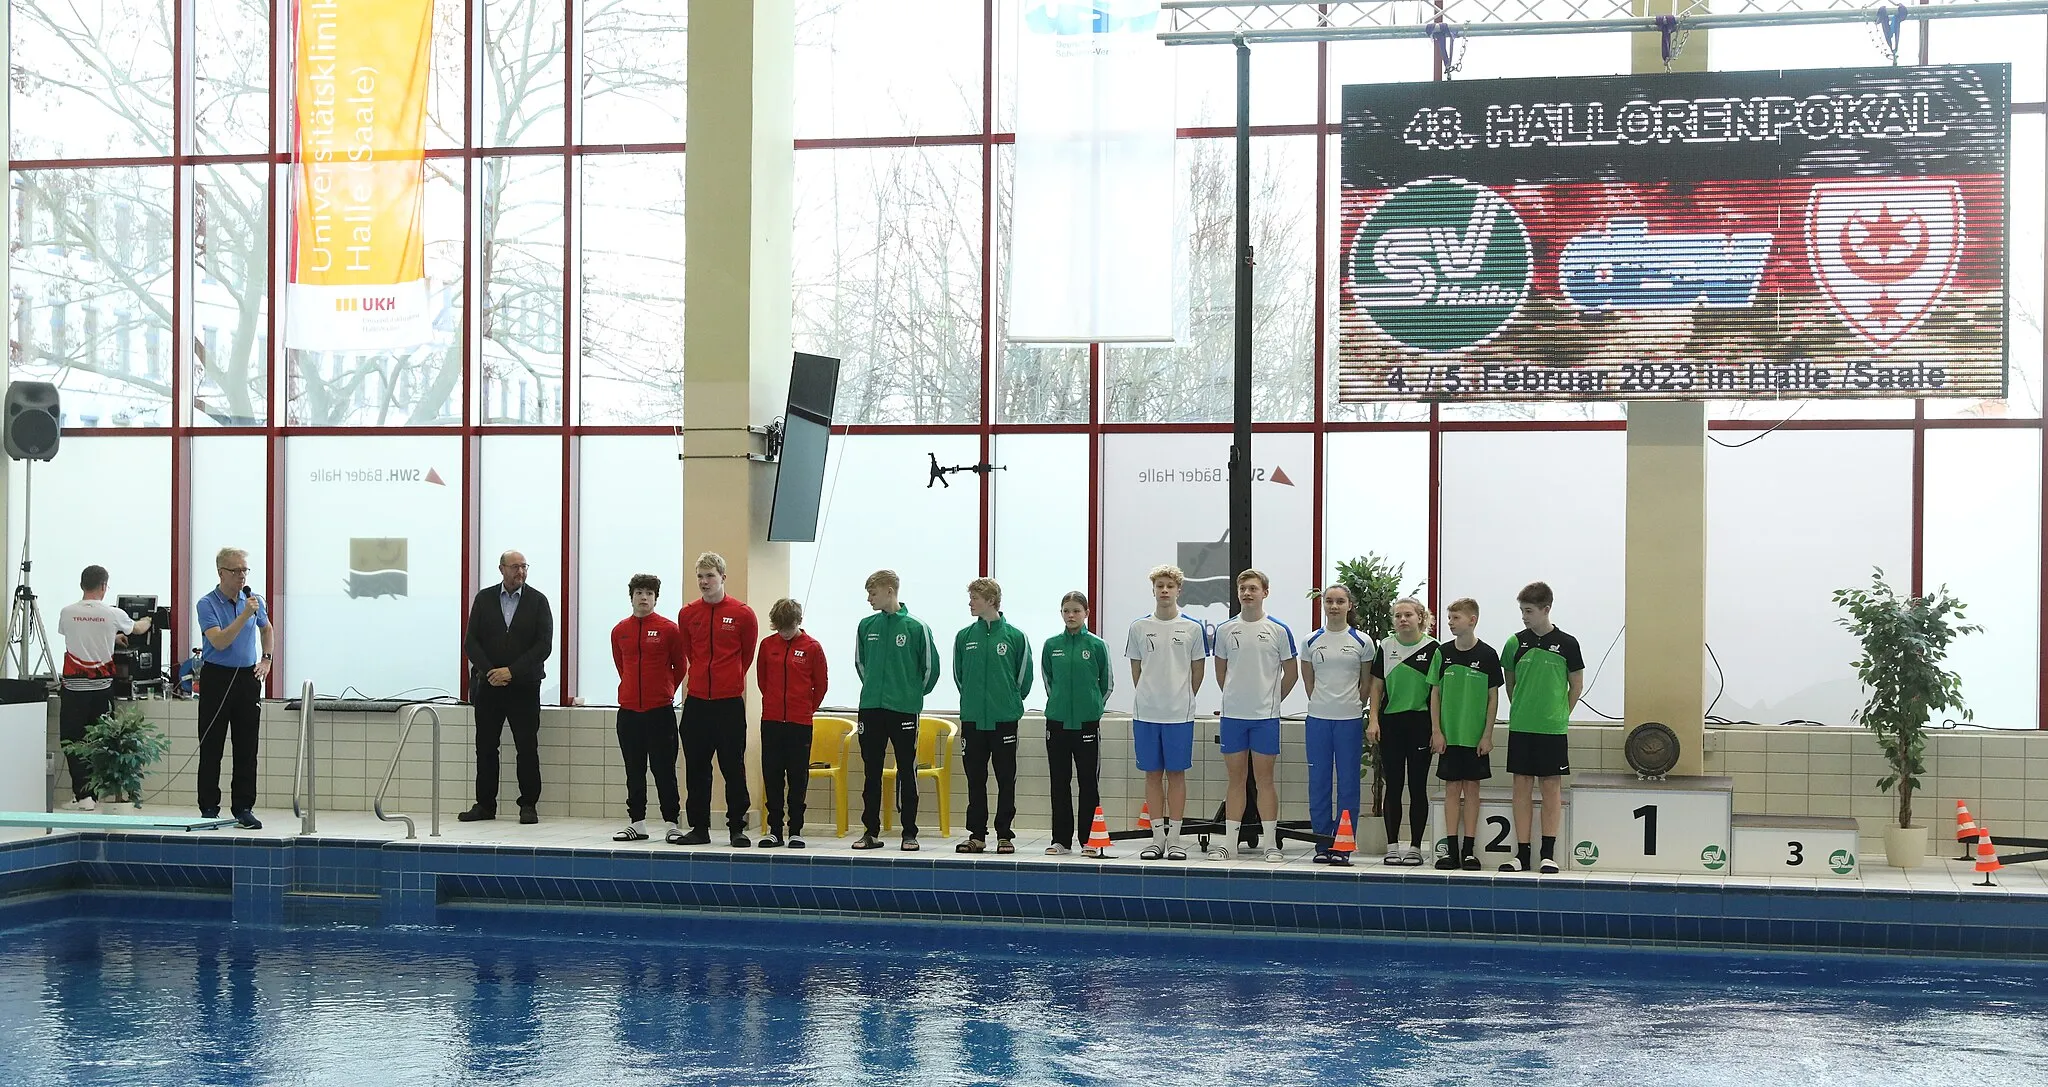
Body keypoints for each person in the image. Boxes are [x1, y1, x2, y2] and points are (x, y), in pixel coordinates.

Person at [1211, 569, 1299, 863]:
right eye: (1242, 589)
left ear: (1265, 593)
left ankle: (1271, 844)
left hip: (1265, 718)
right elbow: (1221, 673)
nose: (1247, 593)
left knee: (1265, 780)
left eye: (1253, 588)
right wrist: (1237, 699)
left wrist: (1271, 701)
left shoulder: (1278, 629)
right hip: (1234, 717)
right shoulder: (1225, 630)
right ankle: (1229, 844)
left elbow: (1292, 673)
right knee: (1236, 780)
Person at [460, 550, 553, 825]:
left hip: (524, 686)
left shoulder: (538, 601)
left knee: (527, 747)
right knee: (486, 747)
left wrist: (511, 671)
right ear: (501, 569)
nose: (520, 572)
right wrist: (491, 672)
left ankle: (528, 805)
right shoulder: (484, 599)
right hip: (488, 685)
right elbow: (471, 643)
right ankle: (485, 805)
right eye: (514, 567)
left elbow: (543, 646)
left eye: (524, 567)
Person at [675, 552, 759, 847]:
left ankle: (737, 826)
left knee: (733, 766)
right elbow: (689, 652)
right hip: (697, 701)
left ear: (723, 577)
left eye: (709, 576)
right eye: (699, 576)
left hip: (728, 702)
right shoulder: (688, 614)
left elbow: (746, 656)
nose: (704, 582)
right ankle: (699, 826)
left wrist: (730, 678)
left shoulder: (742, 614)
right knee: (697, 766)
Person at [852, 569, 940, 851]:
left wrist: (910, 694)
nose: (869, 599)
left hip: (903, 710)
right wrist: (876, 690)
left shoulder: (916, 627)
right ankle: (870, 831)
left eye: (873, 593)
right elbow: (861, 665)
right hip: (871, 709)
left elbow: (929, 670)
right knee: (871, 772)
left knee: (906, 769)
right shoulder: (866, 626)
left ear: (890, 591)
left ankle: (909, 832)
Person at [1125, 564, 1207, 862]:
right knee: (1152, 774)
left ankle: (1175, 839)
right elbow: (1136, 669)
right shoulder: (1139, 627)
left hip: (1179, 715)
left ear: (1178, 590)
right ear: (1153, 589)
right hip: (1146, 713)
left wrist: (1180, 696)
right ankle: (1156, 838)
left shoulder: (1193, 628)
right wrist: (1151, 695)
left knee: (1176, 775)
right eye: (1159, 586)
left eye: (1169, 586)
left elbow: (1198, 670)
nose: (1164, 590)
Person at [1501, 581, 1584, 874]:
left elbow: (1576, 685)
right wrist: (1521, 709)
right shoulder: (1514, 643)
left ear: (1546, 609)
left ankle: (1547, 854)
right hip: (1522, 725)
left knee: (1550, 787)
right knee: (1521, 785)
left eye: (1529, 611)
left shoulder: (1568, 643)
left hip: (1552, 728)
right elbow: (1510, 684)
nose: (1524, 616)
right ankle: (1521, 854)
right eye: (1522, 610)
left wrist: (1560, 714)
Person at [56, 565, 153, 811]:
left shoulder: (67, 612)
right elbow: (138, 629)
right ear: (104, 586)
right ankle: (99, 794)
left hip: (74, 688)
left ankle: (83, 795)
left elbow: (79, 637)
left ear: (81, 585)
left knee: (72, 739)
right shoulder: (113, 614)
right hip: (101, 688)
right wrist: (148, 619)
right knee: (100, 740)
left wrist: (110, 637)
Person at [953, 578, 1033, 855]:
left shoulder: (1014, 636)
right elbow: (960, 676)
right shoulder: (964, 637)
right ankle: (976, 834)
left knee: (1005, 777)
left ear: (991, 600)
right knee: (975, 779)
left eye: (975, 598)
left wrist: (1006, 701)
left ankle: (1004, 834)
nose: (971, 603)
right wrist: (975, 702)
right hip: (974, 719)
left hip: (1004, 719)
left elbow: (1024, 680)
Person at [195, 548, 271, 829]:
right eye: (236, 570)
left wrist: (267, 658)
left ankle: (243, 807)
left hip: (246, 678)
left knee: (247, 747)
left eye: (245, 570)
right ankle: (209, 807)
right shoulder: (207, 604)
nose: (242, 576)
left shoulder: (254, 601)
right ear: (221, 573)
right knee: (212, 744)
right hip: (217, 678)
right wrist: (243, 615)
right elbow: (220, 642)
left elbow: (267, 629)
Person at [610, 574, 685, 843]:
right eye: (640, 592)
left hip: (659, 712)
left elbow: (680, 666)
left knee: (664, 769)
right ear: (631, 596)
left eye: (650, 593)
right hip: (629, 713)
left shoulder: (669, 629)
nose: (644, 597)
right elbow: (621, 665)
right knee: (634, 769)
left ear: (656, 598)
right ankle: (637, 823)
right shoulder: (620, 630)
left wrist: (664, 691)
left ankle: (671, 823)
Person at [1431, 597, 1503, 872]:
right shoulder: (1443, 653)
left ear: (1472, 620)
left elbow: (1493, 698)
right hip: (1449, 736)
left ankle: (1469, 850)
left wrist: (1487, 735)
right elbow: (1435, 694)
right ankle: (1450, 851)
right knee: (1452, 789)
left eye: (1455, 618)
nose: (1450, 622)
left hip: (1474, 737)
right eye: (1449, 618)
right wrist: (1437, 731)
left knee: (1472, 789)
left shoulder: (1487, 655)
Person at [1300, 584, 1370, 866]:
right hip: (1318, 719)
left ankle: (1343, 845)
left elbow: (1365, 683)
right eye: (1329, 601)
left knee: (1349, 785)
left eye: (1340, 601)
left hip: (1349, 720)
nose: (1334, 606)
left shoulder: (1363, 641)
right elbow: (1309, 681)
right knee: (1318, 783)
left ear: (1349, 605)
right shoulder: (1310, 640)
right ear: (1323, 605)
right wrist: (1322, 704)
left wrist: (1353, 704)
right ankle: (1322, 843)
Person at [1041, 591, 1113, 857]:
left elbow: (1106, 684)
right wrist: (1059, 704)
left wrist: (1092, 708)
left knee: (1088, 784)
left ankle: (1089, 840)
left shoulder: (1096, 645)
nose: (1071, 616)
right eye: (1066, 611)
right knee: (1059, 783)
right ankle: (1060, 839)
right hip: (1057, 723)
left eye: (1076, 611)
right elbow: (1049, 682)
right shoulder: (1051, 645)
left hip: (1086, 724)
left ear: (1086, 614)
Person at [1368, 597, 1439, 866]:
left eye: (1408, 615)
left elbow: (1437, 692)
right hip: (1392, 723)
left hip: (1420, 723)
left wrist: (1436, 729)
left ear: (1421, 617)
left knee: (1417, 786)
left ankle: (1416, 847)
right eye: (1398, 616)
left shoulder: (1433, 648)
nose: (1402, 620)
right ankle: (1392, 845)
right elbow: (1377, 686)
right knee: (1394, 786)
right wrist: (1373, 720)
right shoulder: (1386, 646)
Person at [757, 597, 828, 849]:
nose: (784, 633)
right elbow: (762, 681)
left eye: (788, 627)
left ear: (798, 622)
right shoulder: (767, 645)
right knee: (773, 775)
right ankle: (774, 829)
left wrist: (806, 709)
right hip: (772, 721)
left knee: (798, 777)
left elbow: (820, 685)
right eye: (779, 628)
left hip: (799, 723)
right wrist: (775, 705)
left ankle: (795, 829)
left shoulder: (812, 647)